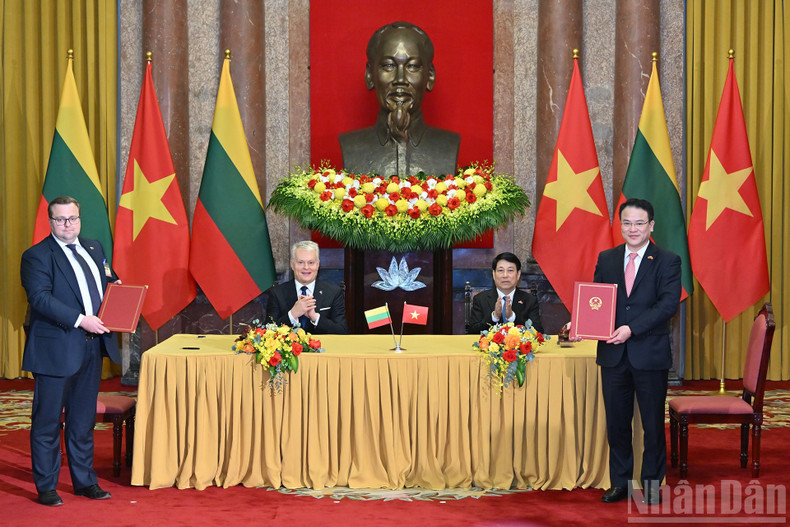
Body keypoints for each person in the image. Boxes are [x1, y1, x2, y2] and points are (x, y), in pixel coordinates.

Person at [20, 196, 120, 506]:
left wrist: (119, 289)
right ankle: (47, 486)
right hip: (56, 350)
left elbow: (109, 281)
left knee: (82, 421)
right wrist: (81, 321)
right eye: (61, 219)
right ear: (50, 222)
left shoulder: (93, 248)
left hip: (91, 348)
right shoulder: (37, 256)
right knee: (48, 421)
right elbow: (40, 298)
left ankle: (84, 481)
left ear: (79, 218)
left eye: (73, 219)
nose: (68, 225)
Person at [594, 198, 681, 505]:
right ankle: (620, 483)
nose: (632, 229)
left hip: (649, 354)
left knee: (653, 424)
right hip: (612, 356)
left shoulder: (668, 260)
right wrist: (583, 322)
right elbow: (598, 302)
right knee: (617, 424)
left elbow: (667, 306)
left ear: (651, 226)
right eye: (627, 223)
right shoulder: (606, 258)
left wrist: (632, 328)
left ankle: (652, 484)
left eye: (639, 223)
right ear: (620, 225)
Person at [339, 21, 460, 178]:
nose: (400, 79)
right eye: (388, 66)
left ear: (430, 76)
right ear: (370, 75)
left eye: (413, 66)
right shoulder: (351, 145)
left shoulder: (448, 145)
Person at [266, 241, 349, 334]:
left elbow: (343, 332)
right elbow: (267, 332)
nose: (306, 267)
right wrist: (292, 315)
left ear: (318, 264)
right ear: (292, 265)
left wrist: (315, 318)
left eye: (311, 262)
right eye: (301, 262)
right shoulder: (277, 293)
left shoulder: (334, 293)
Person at [467, 252, 543, 335]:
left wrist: (512, 317)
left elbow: (538, 332)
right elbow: (472, 331)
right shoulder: (480, 299)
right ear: (493, 274)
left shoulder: (530, 301)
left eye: (510, 270)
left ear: (518, 274)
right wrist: (494, 316)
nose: (505, 275)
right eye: (500, 270)